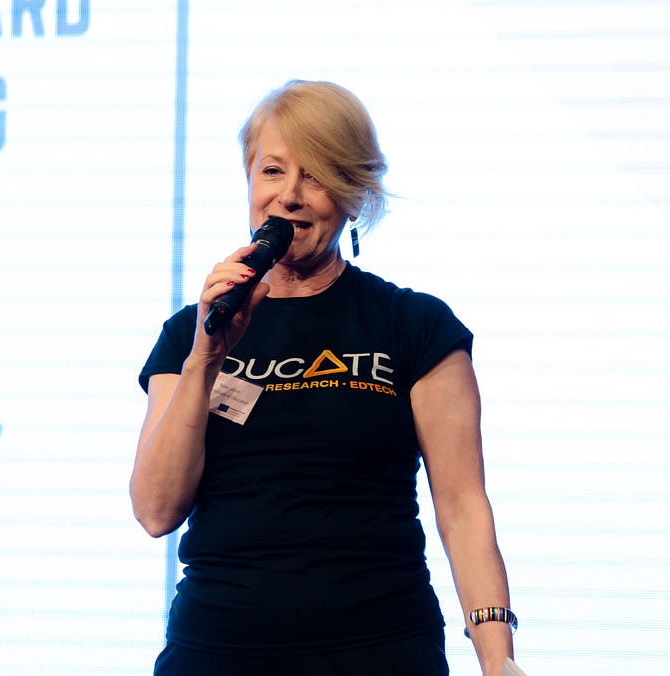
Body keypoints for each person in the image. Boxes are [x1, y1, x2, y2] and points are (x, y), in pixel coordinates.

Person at [130, 79, 514, 675]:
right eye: (273, 172)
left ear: (354, 194)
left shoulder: (413, 326)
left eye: (314, 176)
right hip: (218, 651)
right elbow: (156, 511)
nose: (289, 197)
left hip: (381, 651)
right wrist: (205, 359)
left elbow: (462, 507)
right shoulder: (193, 332)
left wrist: (498, 660)